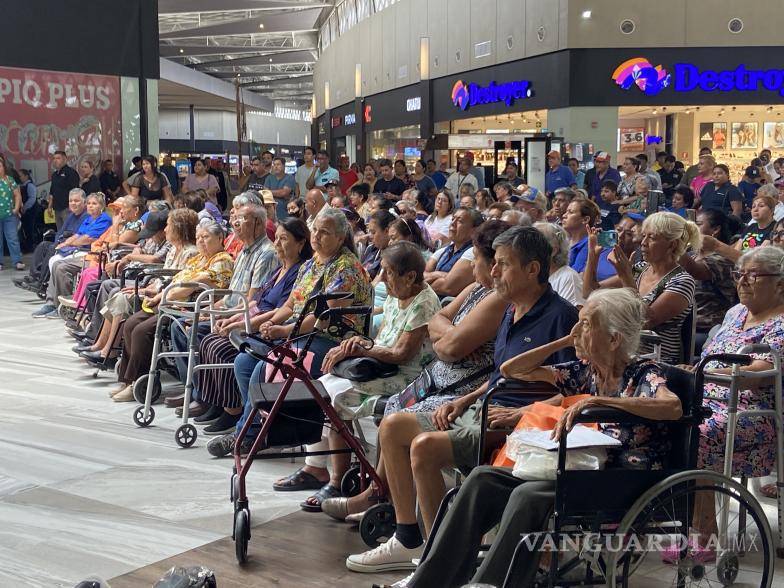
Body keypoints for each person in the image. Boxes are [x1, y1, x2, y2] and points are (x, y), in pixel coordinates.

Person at [390, 287, 681, 588]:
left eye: (587, 324)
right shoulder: (586, 371)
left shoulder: (644, 372)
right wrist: (567, 340)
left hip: (621, 478)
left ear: (613, 339)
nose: (578, 330)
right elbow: (512, 370)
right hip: (581, 468)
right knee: (482, 479)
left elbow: (672, 407)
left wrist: (601, 403)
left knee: (526, 495)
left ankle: (490, 584)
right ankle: (430, 581)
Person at [345, 226, 578, 573]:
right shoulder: (512, 309)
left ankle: (442, 560)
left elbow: (573, 390)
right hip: (482, 406)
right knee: (393, 426)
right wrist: (464, 399)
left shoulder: (561, 318)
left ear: (533, 269)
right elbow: (499, 375)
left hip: (520, 423)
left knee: (424, 447)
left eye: (504, 264)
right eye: (494, 263)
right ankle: (408, 536)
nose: (494, 271)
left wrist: (520, 413)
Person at [207, 208, 372, 458]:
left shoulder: (346, 268)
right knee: (244, 360)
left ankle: (249, 435)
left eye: (324, 232)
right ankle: (264, 427)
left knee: (269, 366)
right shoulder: (311, 265)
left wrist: (284, 330)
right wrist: (270, 324)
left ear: (340, 238)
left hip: (333, 341)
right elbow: (289, 305)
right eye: (315, 229)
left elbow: (324, 319)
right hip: (299, 335)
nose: (316, 236)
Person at [292, 242, 442, 511]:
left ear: (409, 276)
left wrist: (364, 348)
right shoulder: (399, 297)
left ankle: (340, 479)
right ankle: (333, 469)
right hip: (382, 366)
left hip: (407, 377)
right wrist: (354, 343)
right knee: (321, 388)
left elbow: (400, 355)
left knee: (333, 397)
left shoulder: (425, 303)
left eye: (388, 272)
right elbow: (381, 338)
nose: (382, 279)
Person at [693, 246, 784, 534]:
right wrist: (693, 371)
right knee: (659, 422)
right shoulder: (735, 314)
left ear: (780, 283)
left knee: (695, 433)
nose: (742, 281)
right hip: (708, 401)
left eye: (752, 275)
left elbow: (756, 374)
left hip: (753, 415)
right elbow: (708, 355)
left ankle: (703, 532)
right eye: (738, 274)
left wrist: (703, 372)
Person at [192, 218, 313, 433]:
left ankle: (235, 411)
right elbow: (255, 301)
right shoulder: (279, 270)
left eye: (283, 239)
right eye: (276, 238)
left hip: (266, 327)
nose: (276, 244)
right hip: (254, 321)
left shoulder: (299, 271)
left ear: (301, 243)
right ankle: (218, 403)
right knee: (208, 339)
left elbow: (278, 311)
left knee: (223, 350)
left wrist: (243, 326)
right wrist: (232, 320)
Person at [111, 219, 234, 400]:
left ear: (220, 237)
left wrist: (166, 296)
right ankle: (128, 381)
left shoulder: (223, 260)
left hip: (188, 307)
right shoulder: (197, 259)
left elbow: (194, 284)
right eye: (198, 237)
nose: (200, 241)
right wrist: (161, 294)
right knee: (130, 324)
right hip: (170, 302)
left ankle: (140, 381)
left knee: (142, 331)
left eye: (206, 237)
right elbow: (178, 279)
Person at [584, 211, 699, 364]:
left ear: (672, 245)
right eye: (643, 236)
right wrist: (592, 255)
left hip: (656, 362)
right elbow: (590, 292)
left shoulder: (683, 281)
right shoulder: (641, 269)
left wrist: (626, 276)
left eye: (651, 237)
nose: (643, 242)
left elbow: (644, 321)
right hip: (624, 355)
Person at [31, 193, 113, 318]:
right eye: (89, 203)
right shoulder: (89, 219)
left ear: (101, 206)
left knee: (61, 267)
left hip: (88, 252)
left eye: (94, 204)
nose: (90, 206)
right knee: (55, 261)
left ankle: (62, 305)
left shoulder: (104, 219)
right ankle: (51, 302)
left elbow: (87, 238)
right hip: (77, 249)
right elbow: (77, 234)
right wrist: (65, 243)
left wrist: (72, 243)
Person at [678, 208, 739, 352]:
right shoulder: (691, 256)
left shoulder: (722, 259)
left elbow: (696, 271)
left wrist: (676, 242)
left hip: (706, 329)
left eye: (697, 225)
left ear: (715, 230)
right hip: (683, 323)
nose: (692, 230)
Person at [13, 189, 88, 291]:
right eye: (71, 201)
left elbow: (79, 236)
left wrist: (60, 243)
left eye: (76, 201)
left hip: (76, 247)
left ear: (84, 202)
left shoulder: (86, 216)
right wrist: (58, 241)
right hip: (64, 244)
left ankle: (41, 283)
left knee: (52, 248)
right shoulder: (71, 216)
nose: (73, 203)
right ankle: (34, 276)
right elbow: (60, 232)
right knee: (43, 245)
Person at [424, 208, 483, 298]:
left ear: (474, 231)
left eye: (460, 221)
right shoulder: (446, 249)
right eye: (452, 219)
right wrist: (437, 275)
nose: (452, 223)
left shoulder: (472, 252)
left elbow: (447, 287)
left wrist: (423, 283)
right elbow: (421, 274)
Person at [535, 222, 585, 306]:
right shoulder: (534, 277)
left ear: (553, 251)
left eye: (533, 244)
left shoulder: (568, 278)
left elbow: (573, 316)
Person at [561, 197, 601, 273]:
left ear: (585, 219)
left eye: (570, 212)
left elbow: (574, 273)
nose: (564, 215)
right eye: (566, 212)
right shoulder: (564, 240)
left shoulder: (589, 243)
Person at [0, 157, 23, 270]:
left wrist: (16, 208)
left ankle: (17, 261)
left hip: (9, 215)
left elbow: (17, 195)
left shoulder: (9, 180)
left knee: (12, 238)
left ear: (4, 167)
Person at [48, 150, 80, 229]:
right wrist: (49, 206)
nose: (55, 160)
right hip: (57, 208)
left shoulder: (71, 173)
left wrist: (72, 206)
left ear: (65, 159)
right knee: (60, 231)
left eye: (58, 158)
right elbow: (52, 191)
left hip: (67, 208)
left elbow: (75, 191)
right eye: (54, 158)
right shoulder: (54, 175)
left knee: (68, 231)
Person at [263, 156, 296, 221]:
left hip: (284, 213)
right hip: (270, 212)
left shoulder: (290, 178)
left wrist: (269, 192)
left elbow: (284, 193)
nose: (275, 167)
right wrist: (277, 193)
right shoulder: (269, 178)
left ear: (283, 166)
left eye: (278, 164)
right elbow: (265, 193)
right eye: (274, 165)